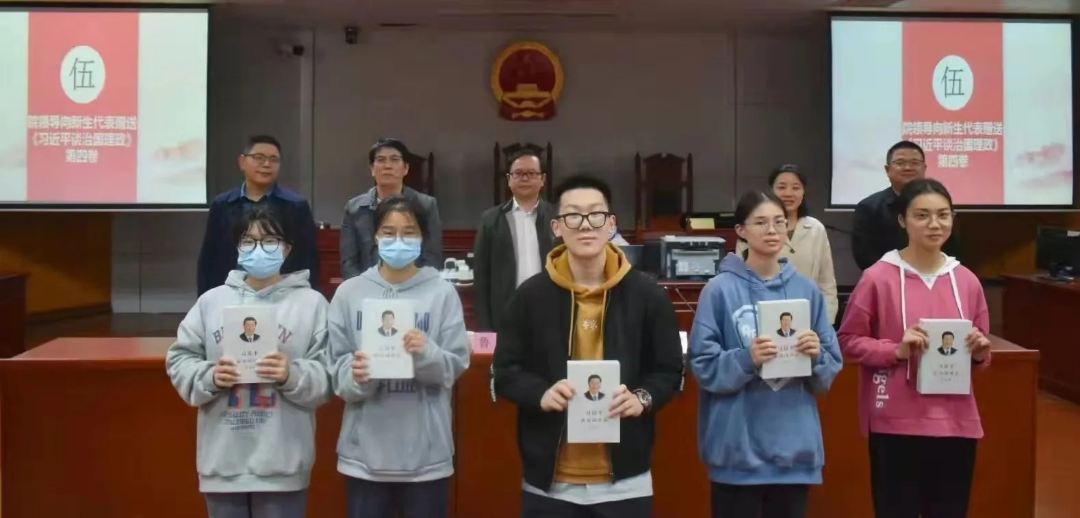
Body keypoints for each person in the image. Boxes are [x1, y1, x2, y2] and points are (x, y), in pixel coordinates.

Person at [492, 174, 684, 518]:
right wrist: (540, 393)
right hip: (550, 482)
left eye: (595, 214)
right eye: (573, 216)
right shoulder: (529, 297)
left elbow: (669, 370)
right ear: (556, 227)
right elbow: (505, 371)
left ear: (611, 224)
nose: (585, 225)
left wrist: (642, 398)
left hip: (626, 482)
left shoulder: (647, 295)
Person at [838, 178, 992, 518]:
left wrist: (981, 352)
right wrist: (895, 351)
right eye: (922, 215)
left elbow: (980, 348)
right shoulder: (878, 277)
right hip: (896, 421)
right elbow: (848, 339)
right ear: (902, 220)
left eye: (943, 215)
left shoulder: (966, 280)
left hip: (956, 423)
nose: (935, 224)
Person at [167, 207, 332, 518]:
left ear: (287, 248)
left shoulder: (311, 305)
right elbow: (180, 358)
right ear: (237, 248)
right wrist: (210, 376)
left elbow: (328, 374)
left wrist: (292, 374)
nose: (259, 249)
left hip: (283, 462)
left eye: (270, 241)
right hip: (223, 461)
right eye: (249, 241)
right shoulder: (211, 302)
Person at [689, 190, 843, 518]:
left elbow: (831, 367)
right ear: (741, 231)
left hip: (794, 452)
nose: (772, 230)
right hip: (737, 453)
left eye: (779, 222)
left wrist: (816, 355)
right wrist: (748, 358)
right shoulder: (718, 290)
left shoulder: (807, 290)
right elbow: (702, 365)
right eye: (760, 222)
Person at [327, 195, 470, 518]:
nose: (398, 241)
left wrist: (426, 353)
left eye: (409, 232)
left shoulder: (442, 293)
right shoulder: (349, 293)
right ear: (376, 236)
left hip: (426, 457)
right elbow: (336, 369)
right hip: (364, 457)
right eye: (389, 233)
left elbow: (455, 364)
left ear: (422, 237)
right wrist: (359, 376)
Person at [198, 135, 320, 296]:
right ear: (242, 162)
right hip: (231, 292)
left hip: (282, 294)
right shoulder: (222, 204)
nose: (266, 164)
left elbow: (308, 258)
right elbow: (209, 258)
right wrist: (206, 297)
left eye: (273, 159)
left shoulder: (296, 206)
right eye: (259, 158)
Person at [736, 164, 837, 324]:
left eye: (796, 187)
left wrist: (826, 323)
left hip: (809, 317)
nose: (788, 193)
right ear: (771, 191)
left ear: (803, 192)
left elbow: (827, 283)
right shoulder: (752, 228)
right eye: (782, 187)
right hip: (761, 315)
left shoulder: (816, 229)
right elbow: (740, 279)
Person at [472, 149, 557, 331]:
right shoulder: (490, 220)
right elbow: (481, 277)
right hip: (505, 312)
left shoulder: (557, 218)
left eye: (531, 173)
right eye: (518, 173)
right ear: (509, 179)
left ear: (542, 179)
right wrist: (486, 327)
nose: (524, 178)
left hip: (550, 310)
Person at [340, 138, 443, 279]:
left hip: (415, 286)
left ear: (406, 168)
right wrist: (363, 288)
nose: (387, 166)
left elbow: (433, 258)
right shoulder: (354, 208)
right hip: (366, 287)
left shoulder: (426, 205)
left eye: (394, 160)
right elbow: (349, 263)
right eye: (381, 160)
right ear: (372, 169)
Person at [851, 141, 961, 271]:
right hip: (887, 277)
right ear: (887, 169)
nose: (908, 167)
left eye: (915, 163)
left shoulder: (940, 202)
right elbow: (864, 255)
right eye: (900, 163)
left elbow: (953, 246)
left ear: (924, 168)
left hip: (936, 273)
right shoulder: (869, 207)